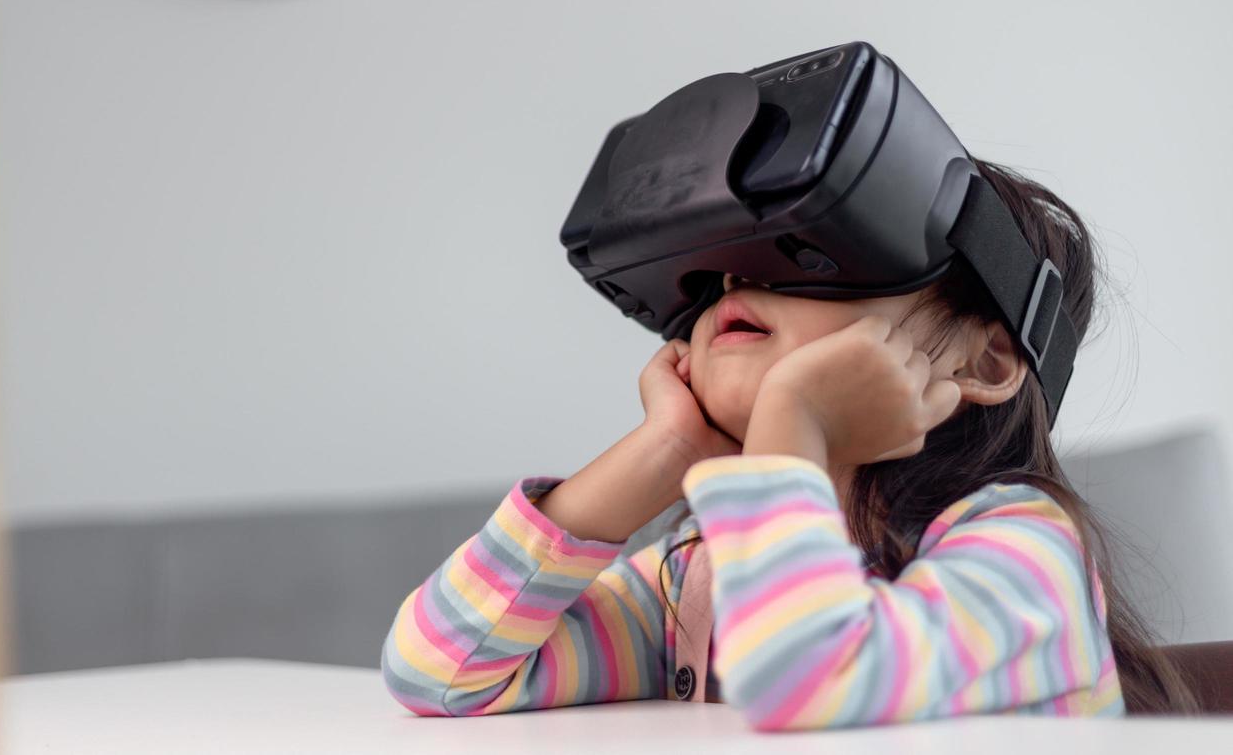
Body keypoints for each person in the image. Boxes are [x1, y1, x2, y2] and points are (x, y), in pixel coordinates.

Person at [379, 157, 1198, 727]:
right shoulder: (694, 582)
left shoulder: (1023, 552)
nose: (741, 279)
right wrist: (665, 449)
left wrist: (795, 421)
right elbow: (440, 671)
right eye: (722, 266)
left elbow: (811, 684)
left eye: (819, 253)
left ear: (985, 358)